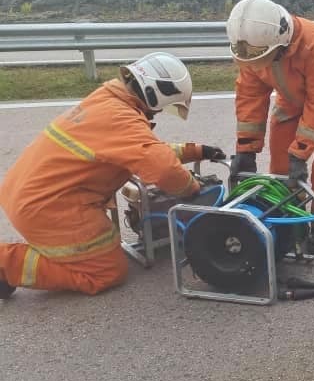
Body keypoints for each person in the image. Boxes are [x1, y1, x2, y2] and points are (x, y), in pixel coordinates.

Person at [0, 53, 224, 298]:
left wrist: (196, 151)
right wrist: (191, 188)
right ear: (155, 93)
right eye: (162, 106)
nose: (158, 112)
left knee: (101, 250)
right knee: (106, 272)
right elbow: (163, 169)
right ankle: (6, 264)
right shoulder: (121, 118)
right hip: (50, 207)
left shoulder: (108, 101)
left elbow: (143, 150)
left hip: (27, 191)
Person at [227, 0, 314, 228]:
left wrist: (300, 153)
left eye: (263, 58)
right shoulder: (250, 47)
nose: (257, 65)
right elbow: (250, 97)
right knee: (281, 167)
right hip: (291, 92)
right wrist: (245, 150)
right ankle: (291, 225)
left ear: (281, 42)